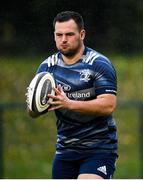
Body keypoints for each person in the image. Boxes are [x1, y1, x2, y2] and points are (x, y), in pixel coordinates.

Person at [27, 11, 118, 179]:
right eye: (59, 34)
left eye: (69, 34)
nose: (63, 39)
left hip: (99, 149)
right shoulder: (47, 68)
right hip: (65, 149)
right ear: (54, 36)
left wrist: (69, 103)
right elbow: (32, 113)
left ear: (82, 34)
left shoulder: (98, 64)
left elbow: (108, 105)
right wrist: (35, 103)